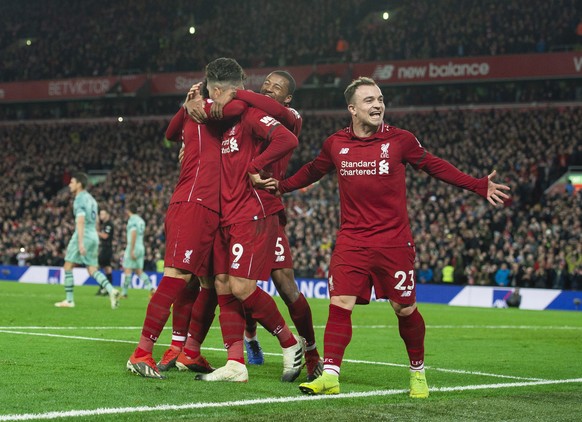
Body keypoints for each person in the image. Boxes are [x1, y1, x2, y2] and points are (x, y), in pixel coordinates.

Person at [265, 77, 510, 397]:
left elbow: (434, 166)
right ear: (352, 109)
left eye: (380, 99)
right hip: (352, 240)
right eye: (369, 100)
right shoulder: (335, 144)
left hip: (394, 242)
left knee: (404, 309)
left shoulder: (400, 140)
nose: (378, 104)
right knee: (339, 304)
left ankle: (418, 373)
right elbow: (313, 170)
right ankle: (331, 375)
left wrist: (478, 185)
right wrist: (280, 186)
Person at [195, 58, 304, 383]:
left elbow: (287, 139)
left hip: (253, 210)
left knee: (243, 286)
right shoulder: (230, 118)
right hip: (228, 213)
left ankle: (290, 342)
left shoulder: (255, 114)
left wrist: (256, 166)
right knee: (223, 283)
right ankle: (235, 363)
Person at [126, 81, 246, 379]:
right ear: (215, 90)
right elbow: (171, 133)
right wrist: (192, 103)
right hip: (193, 203)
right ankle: (141, 353)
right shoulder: (204, 108)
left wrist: (186, 106)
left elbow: (171, 134)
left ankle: (186, 350)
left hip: (214, 211)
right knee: (177, 276)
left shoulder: (207, 115)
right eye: (227, 89)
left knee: (208, 282)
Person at [229, 71, 323, 381]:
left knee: (285, 284)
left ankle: (310, 352)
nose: (268, 89)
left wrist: (234, 92)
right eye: (265, 84)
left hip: (269, 207)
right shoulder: (250, 115)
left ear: (288, 98)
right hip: (241, 206)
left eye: (276, 88)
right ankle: (251, 338)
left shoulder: (291, 117)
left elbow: (277, 117)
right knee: (242, 283)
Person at [54, 172, 121, 309]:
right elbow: (96, 220)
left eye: (72, 182)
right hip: (93, 235)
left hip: (84, 234)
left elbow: (80, 220)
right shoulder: (92, 199)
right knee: (92, 269)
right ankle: (111, 290)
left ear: (79, 184)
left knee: (68, 266)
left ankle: (69, 300)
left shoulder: (79, 199)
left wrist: (80, 242)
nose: (69, 184)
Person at [121, 202, 155, 298]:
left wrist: (131, 249)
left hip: (133, 246)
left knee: (127, 270)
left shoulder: (132, 220)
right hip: (141, 246)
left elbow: (133, 233)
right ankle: (151, 288)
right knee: (139, 271)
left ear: (128, 210)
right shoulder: (141, 221)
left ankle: (124, 293)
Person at [96, 209, 114, 296]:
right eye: (100, 214)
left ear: (107, 215)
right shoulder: (104, 224)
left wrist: (97, 233)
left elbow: (105, 236)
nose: (101, 216)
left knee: (96, 267)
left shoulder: (109, 224)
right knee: (107, 268)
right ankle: (108, 288)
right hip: (105, 248)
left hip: (106, 249)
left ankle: (103, 287)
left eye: (103, 214)